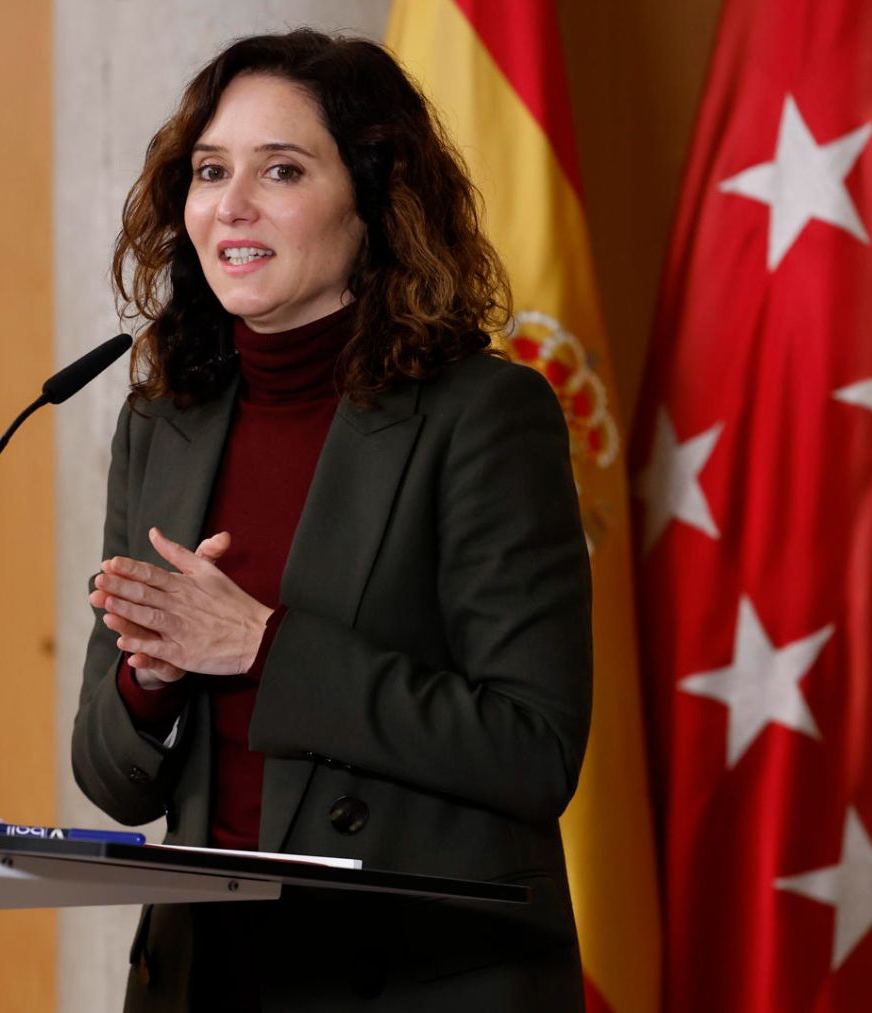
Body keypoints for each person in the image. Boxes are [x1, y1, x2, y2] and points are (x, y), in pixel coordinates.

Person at [69, 30, 592, 1012]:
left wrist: (263, 644)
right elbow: (114, 778)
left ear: (374, 200)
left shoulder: (483, 415)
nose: (232, 205)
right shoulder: (164, 422)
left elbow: (532, 750)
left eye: (282, 170)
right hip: (207, 975)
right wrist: (148, 679)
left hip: (412, 979)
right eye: (211, 170)